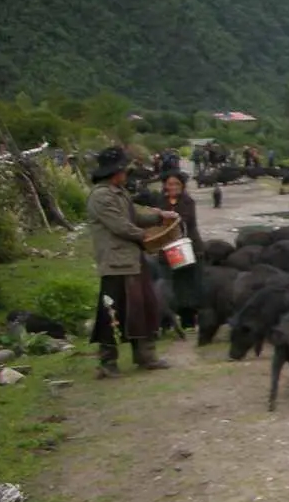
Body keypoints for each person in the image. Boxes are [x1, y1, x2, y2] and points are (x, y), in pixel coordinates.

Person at [87, 147, 176, 378]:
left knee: (143, 308)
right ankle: (107, 363)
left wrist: (159, 217)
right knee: (112, 312)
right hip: (116, 262)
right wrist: (144, 235)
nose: (127, 173)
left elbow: (133, 217)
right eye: (124, 169)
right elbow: (120, 225)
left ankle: (145, 356)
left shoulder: (119, 192)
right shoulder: (100, 196)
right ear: (115, 172)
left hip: (133, 260)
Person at [161, 169, 204, 330]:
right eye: (169, 184)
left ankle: (189, 320)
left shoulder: (188, 202)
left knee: (188, 285)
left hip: (187, 249)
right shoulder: (160, 201)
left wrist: (167, 218)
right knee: (172, 285)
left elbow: (186, 221)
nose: (173, 187)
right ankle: (169, 319)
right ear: (165, 185)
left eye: (176, 184)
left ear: (182, 185)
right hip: (167, 250)